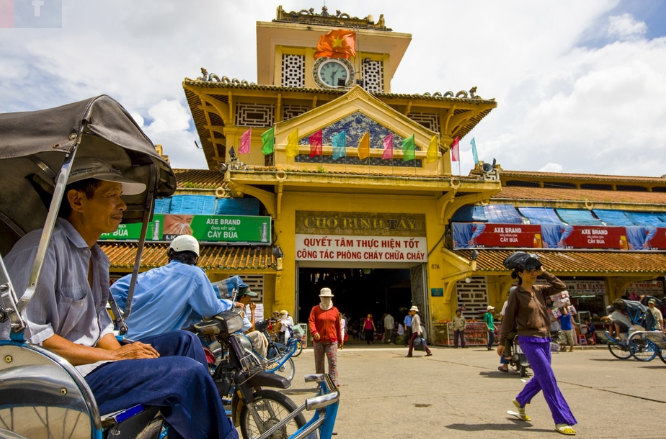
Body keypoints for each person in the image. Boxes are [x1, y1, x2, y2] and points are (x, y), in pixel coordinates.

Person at [1, 158, 237, 439]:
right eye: (111, 196)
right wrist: (114, 355)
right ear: (77, 200)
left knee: (185, 342)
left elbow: (99, 328)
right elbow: (31, 341)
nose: (122, 205)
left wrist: (125, 353)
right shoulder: (41, 251)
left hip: (96, 363)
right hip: (64, 377)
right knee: (187, 374)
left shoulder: (97, 258)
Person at [498, 252, 577, 436]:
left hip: (545, 338)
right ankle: (562, 420)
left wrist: (544, 272)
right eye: (529, 271)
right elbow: (508, 320)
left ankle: (521, 399)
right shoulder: (516, 294)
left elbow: (560, 286)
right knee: (549, 379)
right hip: (528, 340)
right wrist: (502, 343)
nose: (533, 274)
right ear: (519, 273)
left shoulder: (540, 290)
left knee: (542, 377)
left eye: (535, 270)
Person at [110, 235, 240, 340]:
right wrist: (229, 304)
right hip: (158, 344)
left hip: (129, 339)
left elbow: (114, 291)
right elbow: (210, 309)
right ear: (196, 258)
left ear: (170, 253)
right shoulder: (195, 274)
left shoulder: (149, 275)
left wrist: (133, 307)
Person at [308, 287, 342, 386]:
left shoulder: (335, 310)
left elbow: (338, 326)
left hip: (332, 341)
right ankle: (321, 383)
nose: (326, 299)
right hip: (318, 341)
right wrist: (314, 332)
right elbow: (311, 321)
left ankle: (334, 383)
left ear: (331, 298)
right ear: (320, 298)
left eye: (328, 297)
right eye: (324, 297)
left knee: (333, 362)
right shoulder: (315, 309)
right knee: (319, 363)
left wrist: (340, 340)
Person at [235, 285, 269, 358]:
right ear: (243, 296)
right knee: (257, 334)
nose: (250, 299)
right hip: (239, 338)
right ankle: (263, 363)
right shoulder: (239, 310)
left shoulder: (238, 308)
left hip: (239, 336)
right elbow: (251, 329)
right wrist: (253, 311)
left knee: (261, 334)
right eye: (248, 297)